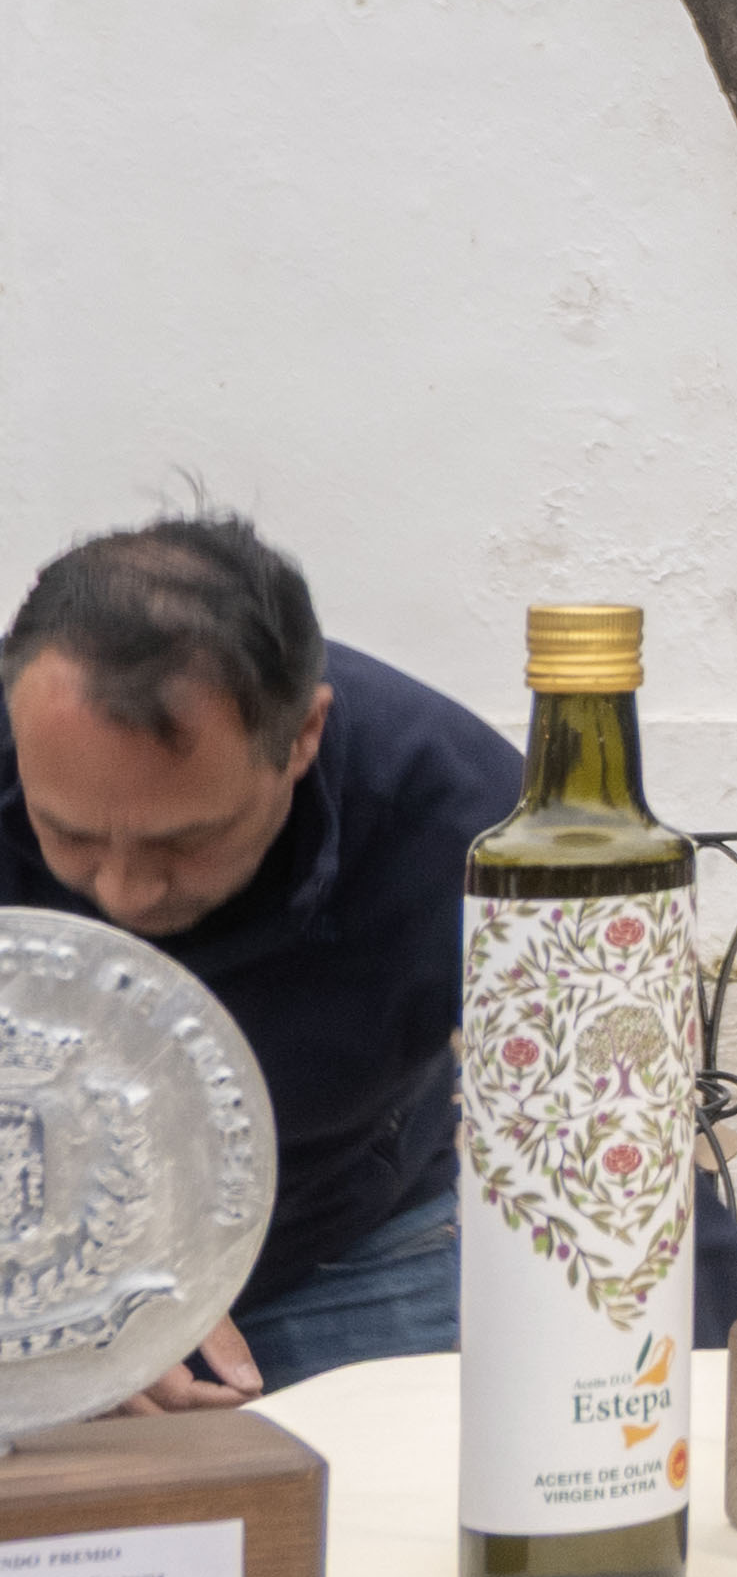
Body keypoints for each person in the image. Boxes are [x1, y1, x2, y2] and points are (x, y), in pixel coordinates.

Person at [1, 517, 508, 1402]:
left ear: (303, 733)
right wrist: (64, 1305)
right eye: (68, 834)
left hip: (349, 1254)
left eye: (187, 841)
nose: (126, 892)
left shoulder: (465, 821)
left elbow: (624, 1135)